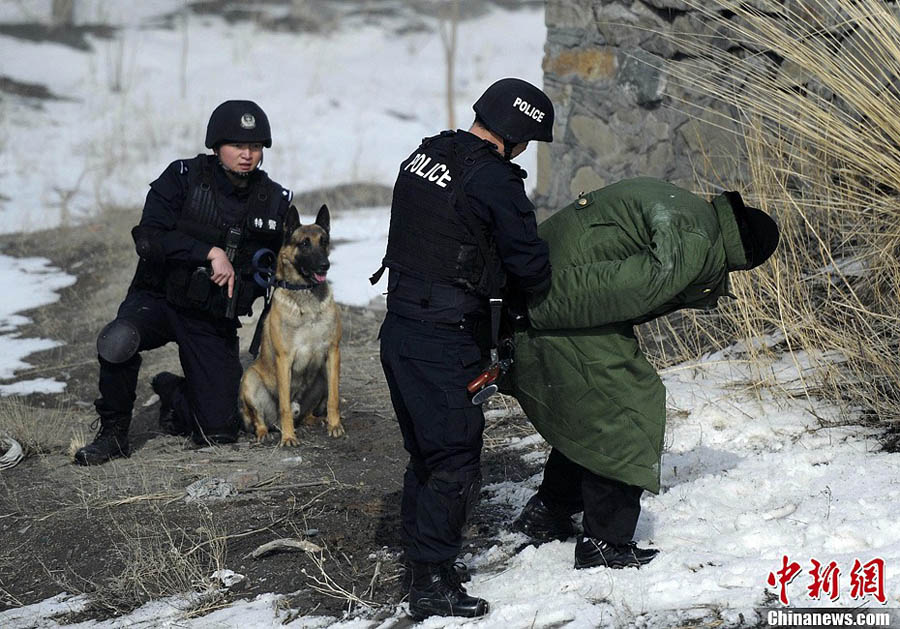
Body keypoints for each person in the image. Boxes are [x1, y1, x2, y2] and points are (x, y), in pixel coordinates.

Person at [508, 177, 779, 569]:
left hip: (550, 286)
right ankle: (604, 541)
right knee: (630, 407)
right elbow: (623, 287)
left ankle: (549, 511)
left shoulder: (690, 213)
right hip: (555, 299)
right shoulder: (696, 240)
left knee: (595, 406)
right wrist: (535, 306)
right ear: (743, 255)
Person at [372, 78, 554, 620]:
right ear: (518, 135)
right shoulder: (494, 180)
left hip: (400, 328)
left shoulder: (425, 154)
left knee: (426, 456)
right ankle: (431, 581)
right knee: (453, 458)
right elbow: (530, 265)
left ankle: (422, 563)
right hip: (443, 337)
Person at [74, 100, 293, 466]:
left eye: (255, 147)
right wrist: (208, 251)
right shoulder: (181, 177)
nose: (247, 155)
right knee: (118, 340)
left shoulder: (273, 200)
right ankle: (112, 434)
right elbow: (147, 237)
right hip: (159, 298)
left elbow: (284, 262)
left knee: (218, 432)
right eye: (237, 146)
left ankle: (173, 394)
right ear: (215, 145)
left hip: (211, 315)